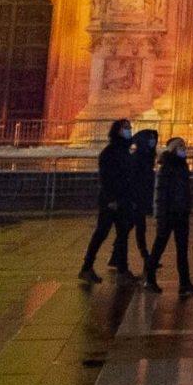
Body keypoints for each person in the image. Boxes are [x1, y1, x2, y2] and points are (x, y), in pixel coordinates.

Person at [141, 135, 193, 293]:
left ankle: (185, 283)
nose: (184, 148)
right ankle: (150, 279)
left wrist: (187, 208)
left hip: (181, 213)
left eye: (184, 146)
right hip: (168, 214)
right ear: (174, 149)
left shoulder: (182, 166)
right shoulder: (166, 167)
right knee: (159, 248)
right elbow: (160, 194)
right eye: (180, 146)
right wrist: (160, 216)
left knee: (182, 250)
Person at [79, 118, 131, 282]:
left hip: (122, 199)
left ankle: (122, 270)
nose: (129, 130)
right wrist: (111, 199)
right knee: (101, 233)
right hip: (111, 200)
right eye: (126, 128)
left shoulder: (124, 150)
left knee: (122, 235)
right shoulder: (110, 152)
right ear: (117, 130)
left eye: (130, 127)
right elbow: (106, 178)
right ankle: (87, 267)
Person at [123, 127, 159, 275]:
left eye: (154, 138)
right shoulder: (138, 158)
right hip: (136, 199)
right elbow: (132, 180)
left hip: (141, 199)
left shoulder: (147, 156)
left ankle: (145, 257)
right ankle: (146, 258)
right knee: (138, 228)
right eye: (150, 138)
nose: (153, 141)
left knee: (133, 229)